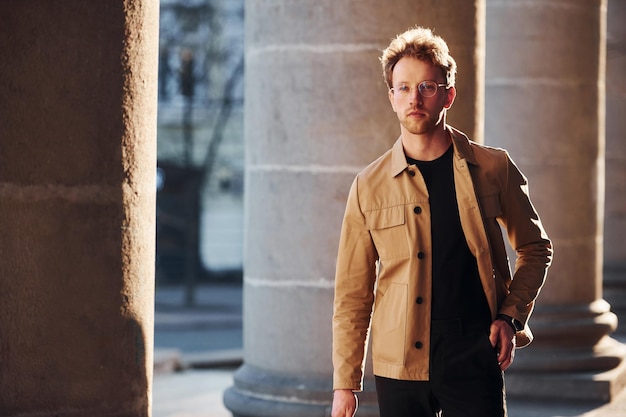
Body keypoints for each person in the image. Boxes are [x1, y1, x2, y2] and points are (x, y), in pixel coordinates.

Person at [331, 26, 552, 417]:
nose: (414, 98)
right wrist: (345, 383)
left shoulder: (493, 168)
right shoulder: (368, 185)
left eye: (427, 86)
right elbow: (353, 293)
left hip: (473, 353)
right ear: (392, 98)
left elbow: (535, 247)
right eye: (403, 88)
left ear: (448, 94)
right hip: (396, 361)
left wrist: (510, 315)